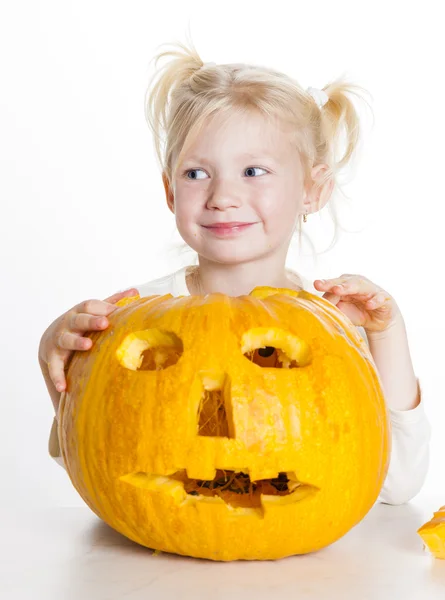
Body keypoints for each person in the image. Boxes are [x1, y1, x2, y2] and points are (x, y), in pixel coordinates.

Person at [39, 40, 431, 506]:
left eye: (253, 170)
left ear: (313, 189)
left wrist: (387, 335)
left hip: (309, 577)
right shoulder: (134, 325)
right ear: (169, 191)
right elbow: (102, 464)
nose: (222, 195)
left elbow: (396, 485)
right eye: (196, 174)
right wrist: (58, 366)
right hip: (153, 570)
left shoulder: (334, 329)